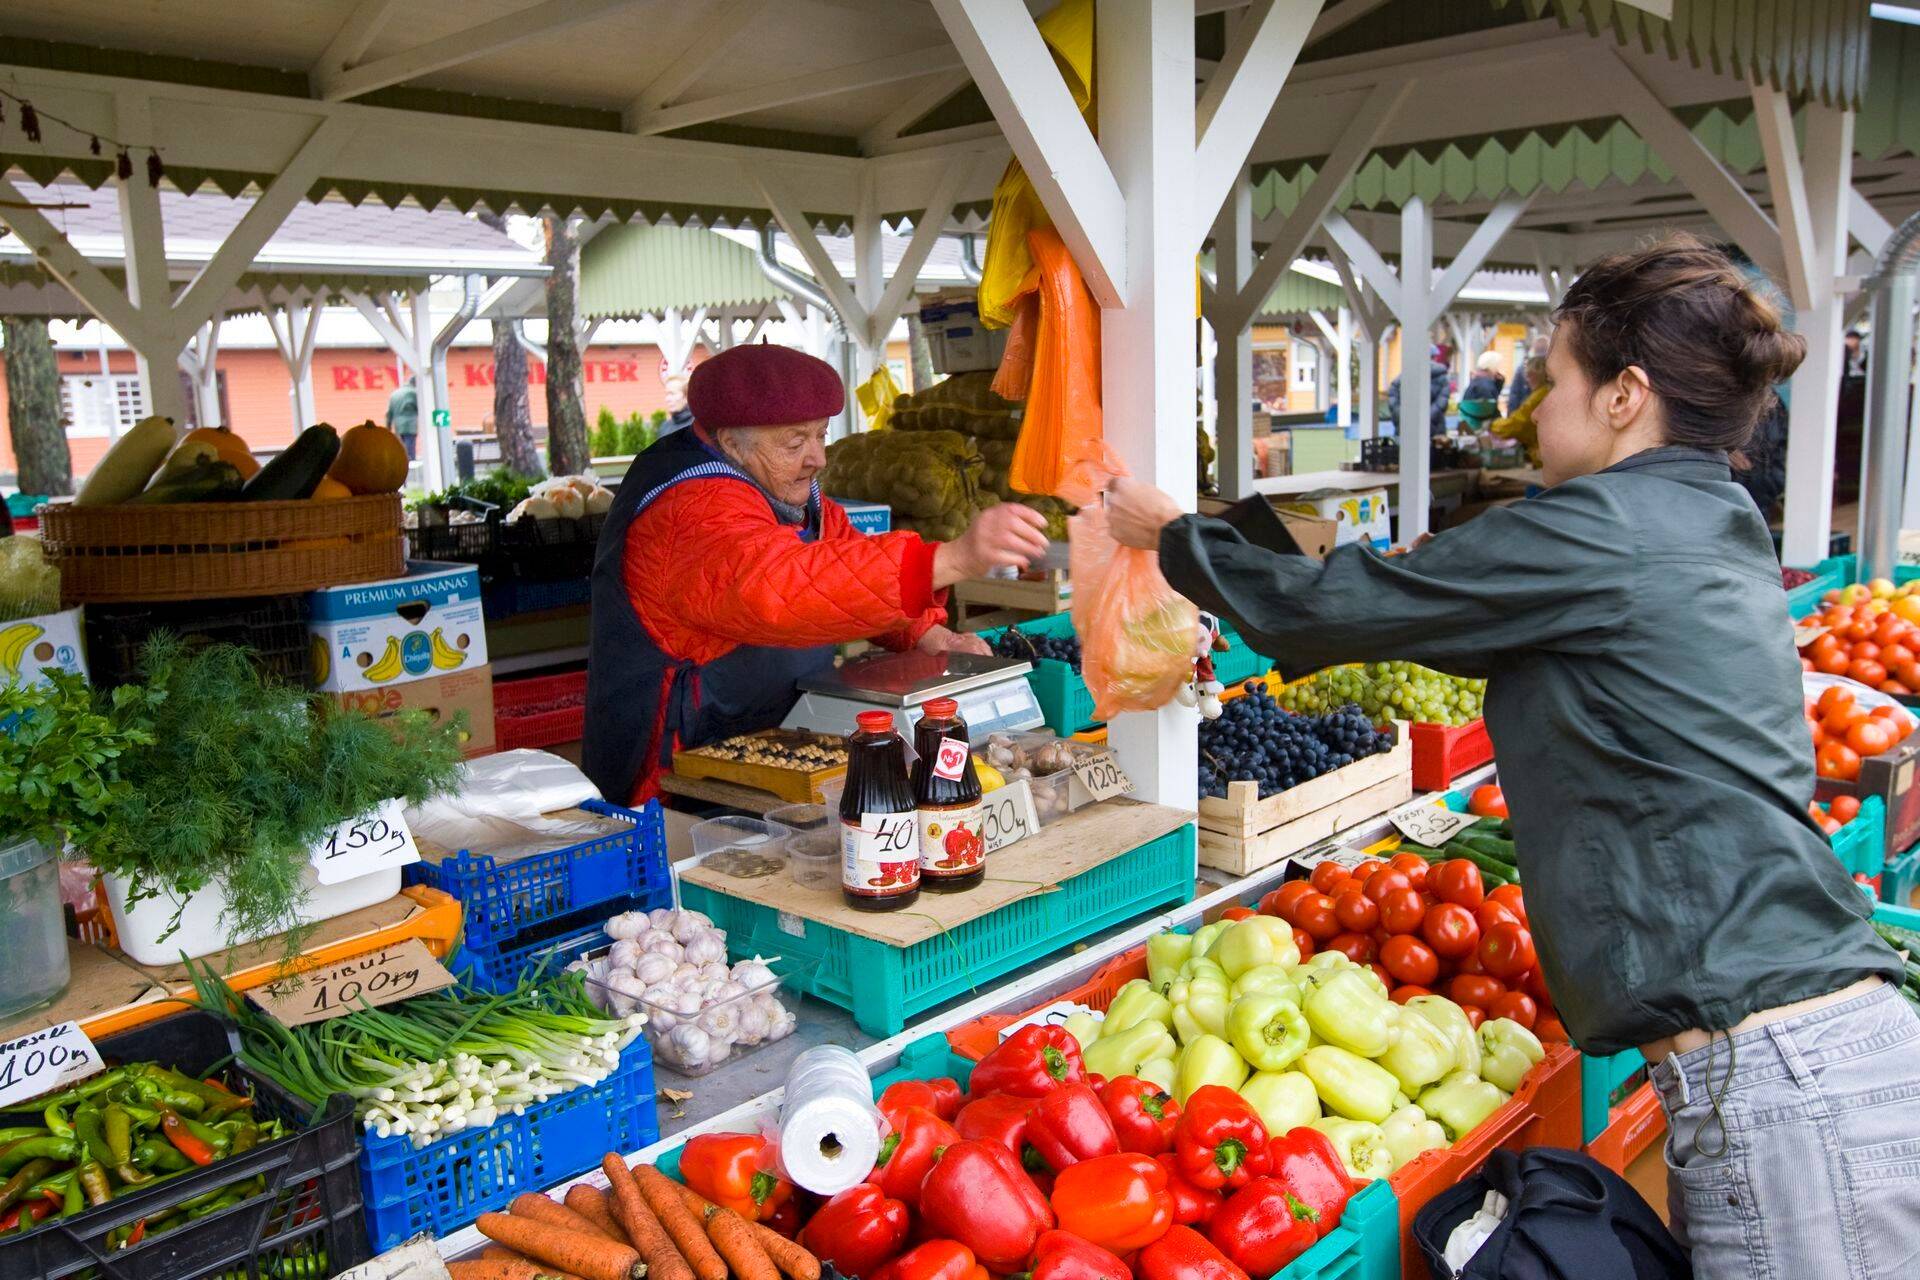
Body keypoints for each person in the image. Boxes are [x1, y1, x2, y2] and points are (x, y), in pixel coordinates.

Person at [1105, 234, 1918, 1280]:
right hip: (1819, 1051)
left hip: (1777, 1086)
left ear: (1626, 395)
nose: (1534, 409)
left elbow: (1345, 606)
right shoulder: (1710, 518)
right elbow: (1418, 614)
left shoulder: (1606, 528)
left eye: (1554, 381)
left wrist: (1175, 534)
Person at [583, 343, 1049, 806]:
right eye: (795, 443)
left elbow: (844, 563)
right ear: (730, 442)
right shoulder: (689, 509)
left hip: (774, 743)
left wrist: (928, 633)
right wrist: (947, 560)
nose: (818, 458)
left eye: (821, 436)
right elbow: (782, 587)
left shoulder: (782, 486)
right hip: (675, 776)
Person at [1387, 344, 1451, 435]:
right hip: (1434, 429)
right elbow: (1441, 403)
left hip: (1406, 427)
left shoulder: (1403, 376)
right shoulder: (1443, 379)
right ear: (1434, 357)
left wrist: (1402, 417)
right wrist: (1425, 418)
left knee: (1404, 448)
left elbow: (1393, 398)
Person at [386, 382, 419, 460]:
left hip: (398, 426)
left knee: (401, 447)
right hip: (410, 425)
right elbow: (421, 407)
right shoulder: (413, 393)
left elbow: (389, 413)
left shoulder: (394, 394)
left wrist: (388, 427)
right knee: (409, 449)